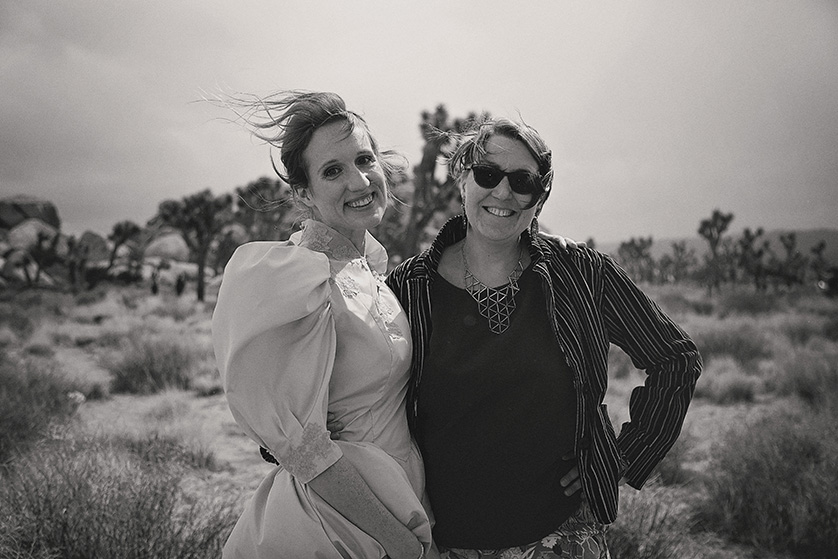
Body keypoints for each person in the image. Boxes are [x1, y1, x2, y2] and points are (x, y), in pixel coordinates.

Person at [385, 117, 702, 558]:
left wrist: (623, 456)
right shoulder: (407, 288)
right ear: (462, 177)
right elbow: (356, 394)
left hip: (562, 536)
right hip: (447, 541)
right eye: (488, 174)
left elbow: (676, 359)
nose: (502, 193)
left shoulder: (581, 272)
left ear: (541, 194)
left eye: (523, 182)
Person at [212, 91, 432, 559]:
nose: (359, 180)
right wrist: (397, 543)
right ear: (303, 193)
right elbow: (303, 449)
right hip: (338, 523)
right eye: (332, 171)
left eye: (364, 159)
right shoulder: (298, 279)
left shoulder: (369, 268)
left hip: (398, 497)